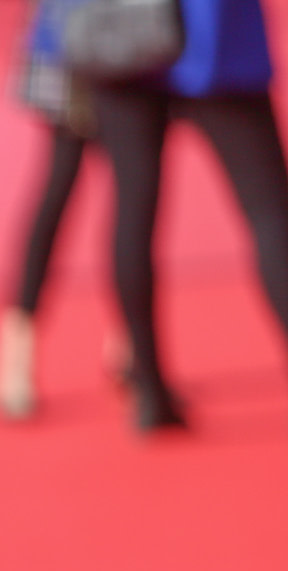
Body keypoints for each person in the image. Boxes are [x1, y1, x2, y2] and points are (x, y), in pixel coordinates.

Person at [89, 0, 288, 430]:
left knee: (132, 208)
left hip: (120, 34)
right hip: (213, 37)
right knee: (270, 212)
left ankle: (148, 388)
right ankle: (147, 384)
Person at [0, 0, 122, 420]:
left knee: (133, 191)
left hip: (135, 33)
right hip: (81, 33)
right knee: (62, 186)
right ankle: (17, 352)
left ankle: (129, 339)